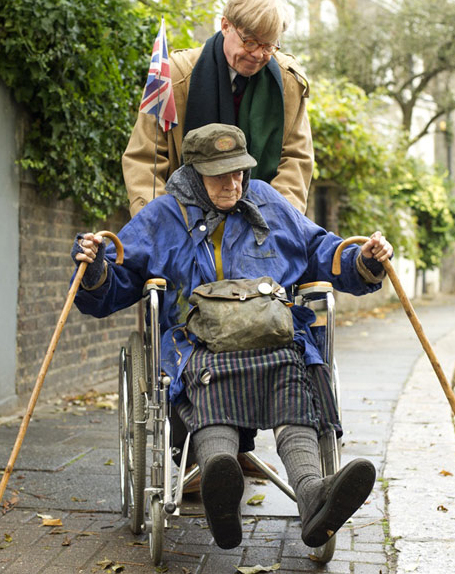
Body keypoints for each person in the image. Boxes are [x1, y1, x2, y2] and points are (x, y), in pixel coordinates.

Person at [73, 124, 390, 549]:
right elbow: (114, 284)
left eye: (239, 171)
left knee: (296, 376)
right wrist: (94, 267)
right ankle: (220, 486)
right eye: (220, 173)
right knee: (207, 379)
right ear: (194, 172)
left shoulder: (269, 203)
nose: (233, 181)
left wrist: (363, 259)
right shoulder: (162, 217)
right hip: (200, 347)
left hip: (276, 342)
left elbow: (321, 250)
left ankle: (314, 495)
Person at [122, 0, 313, 217]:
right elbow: (145, 158)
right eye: (250, 41)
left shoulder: (288, 84)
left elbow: (295, 159)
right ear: (225, 26)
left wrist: (277, 223)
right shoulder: (174, 77)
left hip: (261, 227)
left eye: (268, 46)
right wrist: (160, 225)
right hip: (184, 224)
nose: (257, 54)